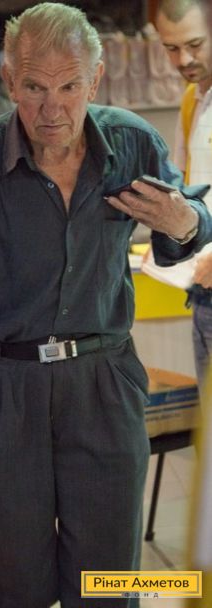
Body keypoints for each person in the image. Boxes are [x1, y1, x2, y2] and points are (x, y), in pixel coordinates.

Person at [0, 4, 212, 607]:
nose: (51, 109)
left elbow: (188, 221)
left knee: (109, 582)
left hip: (103, 382)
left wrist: (186, 221)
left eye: (69, 88)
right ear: (10, 81)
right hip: (3, 387)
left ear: (96, 79)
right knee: (10, 584)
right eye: (34, 87)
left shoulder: (132, 143)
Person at [156, 0, 212, 388]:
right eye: (172, 48)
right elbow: (183, 188)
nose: (184, 60)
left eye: (195, 44)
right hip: (203, 290)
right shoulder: (193, 100)